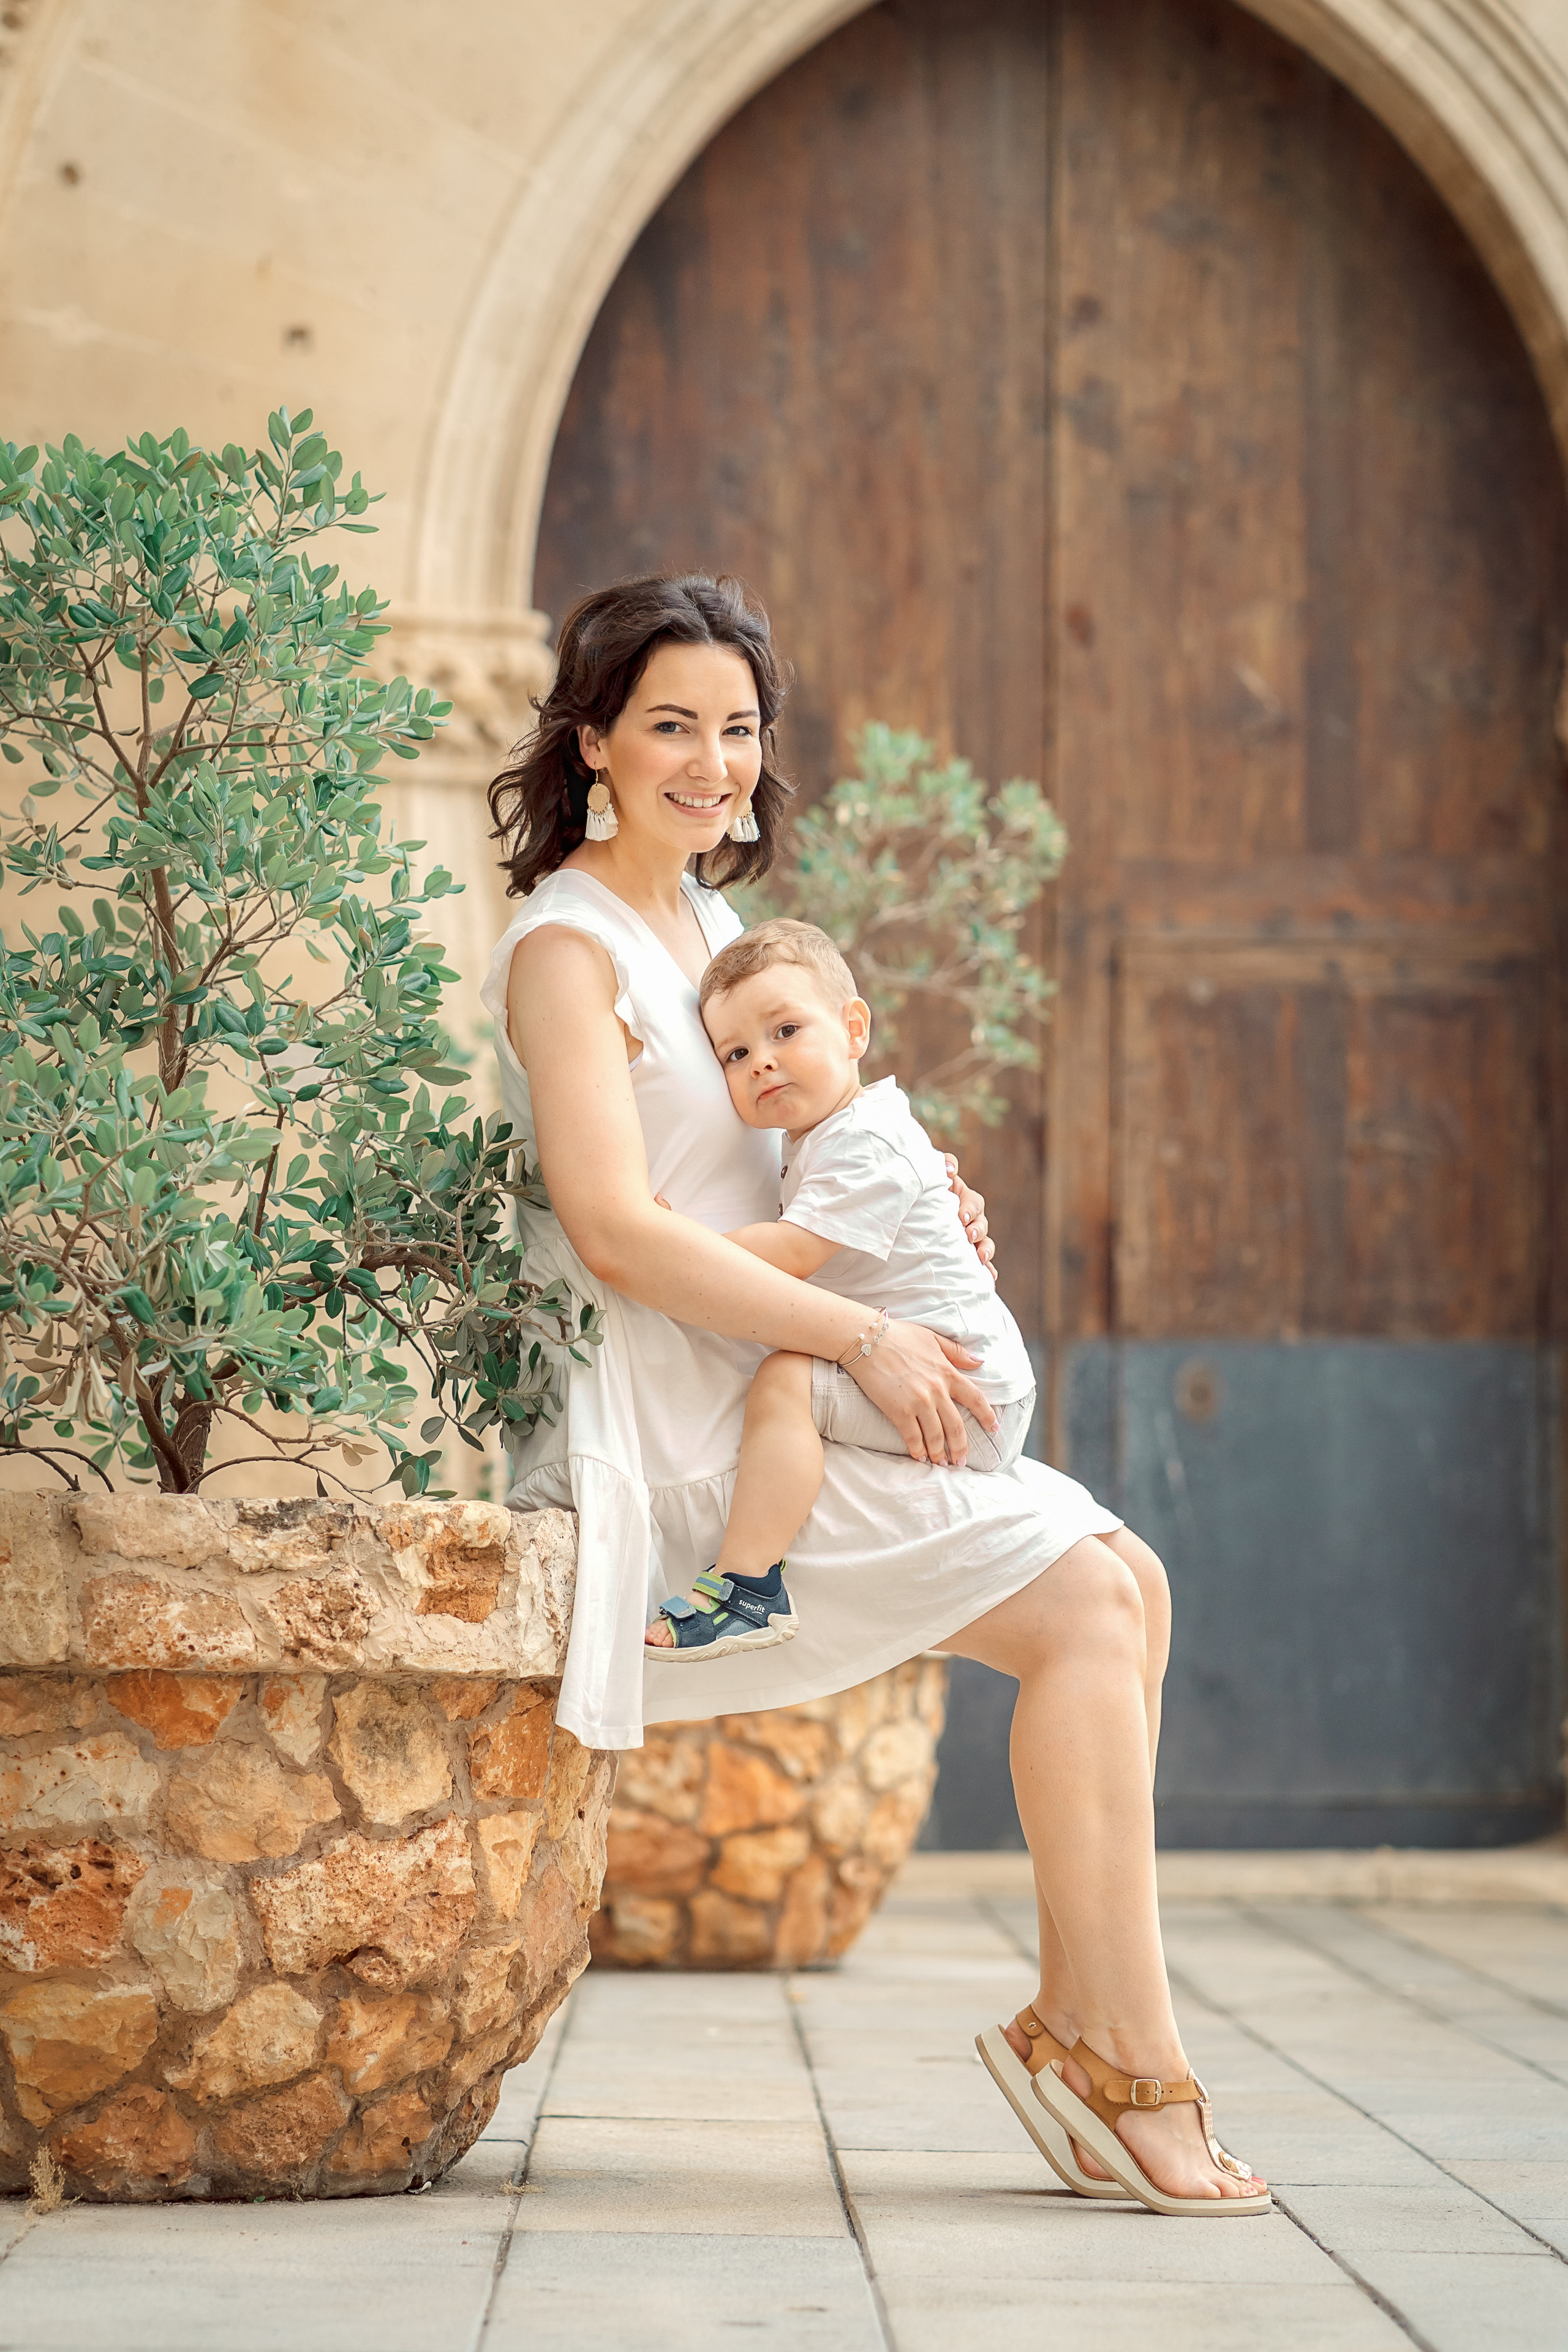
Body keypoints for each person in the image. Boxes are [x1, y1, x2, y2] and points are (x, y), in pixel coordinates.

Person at [481, 570, 1267, 2217]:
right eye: (672, 727)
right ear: (594, 742)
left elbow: (805, 1138)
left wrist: (910, 1205)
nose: (711, 763)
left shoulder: (708, 925)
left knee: (1131, 1576)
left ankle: (1080, 2021)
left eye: (739, 731)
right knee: (1081, 1615)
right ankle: (1122, 2064)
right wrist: (855, 1338)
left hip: (784, 1376)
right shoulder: (568, 946)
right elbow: (620, 1233)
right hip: (681, 1432)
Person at [645, 915, 1036, 1660]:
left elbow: (790, 1255)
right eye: (735, 1053)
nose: (761, 1061)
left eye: (786, 1030)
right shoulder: (832, 1133)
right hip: (955, 1369)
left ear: (855, 1029)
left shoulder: (864, 1141)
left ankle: (748, 1588)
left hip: (965, 1386)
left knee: (788, 1380)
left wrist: (677, 1243)